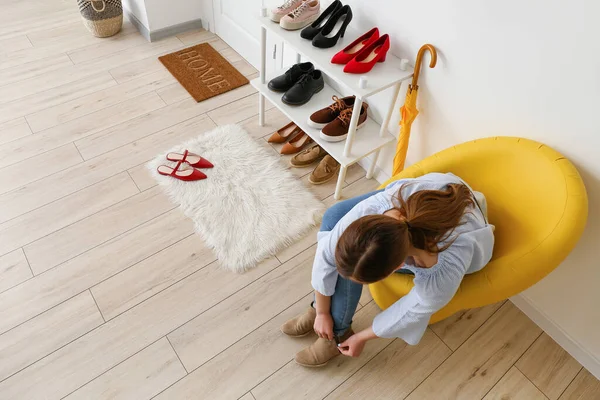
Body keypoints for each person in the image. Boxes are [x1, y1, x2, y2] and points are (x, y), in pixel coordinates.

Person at [280, 172, 495, 367]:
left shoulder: (442, 272)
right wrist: (322, 312)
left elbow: (408, 312)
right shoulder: (374, 212)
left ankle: (338, 334)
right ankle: (322, 310)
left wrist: (360, 338)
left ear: (399, 266)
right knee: (334, 219)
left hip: (464, 231)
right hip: (432, 194)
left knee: (356, 267)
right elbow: (327, 254)